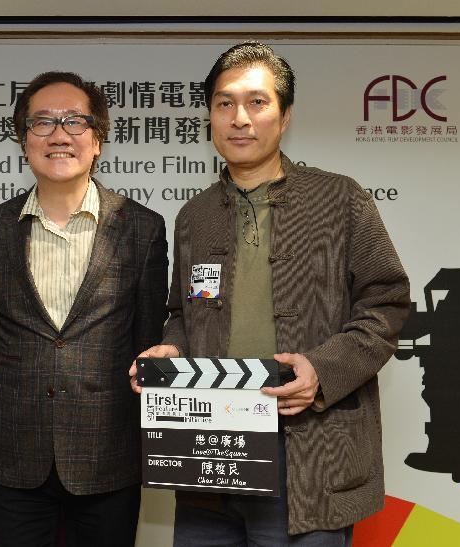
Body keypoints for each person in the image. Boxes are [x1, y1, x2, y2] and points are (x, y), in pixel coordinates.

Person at [130, 42, 410, 545]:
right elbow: (183, 311)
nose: (239, 118)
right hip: (209, 450)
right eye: (224, 103)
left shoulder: (340, 198)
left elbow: (386, 303)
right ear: (210, 117)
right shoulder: (194, 216)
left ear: (284, 117)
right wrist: (173, 349)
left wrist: (322, 370)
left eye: (257, 102)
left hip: (307, 453)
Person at [0, 71, 168, 546]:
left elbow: (146, 338)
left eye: (75, 122)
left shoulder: (143, 228)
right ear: (23, 141)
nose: (59, 134)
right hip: (17, 454)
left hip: (108, 456)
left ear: (99, 139)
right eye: (42, 123)